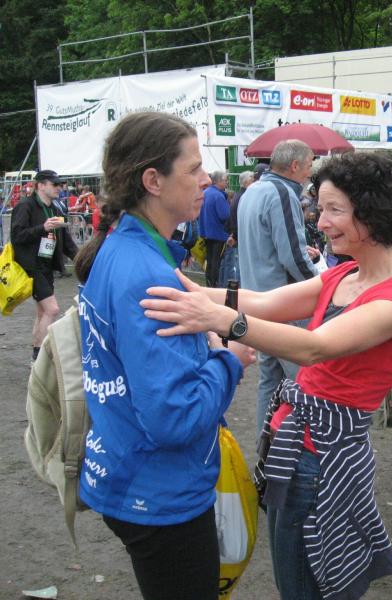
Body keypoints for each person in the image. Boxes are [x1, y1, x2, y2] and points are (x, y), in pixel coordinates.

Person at [142, 151, 392, 600]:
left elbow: (314, 347)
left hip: (321, 460)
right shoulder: (345, 274)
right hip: (298, 448)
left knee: (302, 584)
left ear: (372, 212)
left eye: (335, 210)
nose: (321, 221)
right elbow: (265, 302)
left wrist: (221, 321)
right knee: (297, 575)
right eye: (321, 208)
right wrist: (185, 287)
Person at [72, 112, 253, 600]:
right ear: (153, 180)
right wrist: (229, 358)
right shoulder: (147, 273)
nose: (206, 180)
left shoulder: (124, 248)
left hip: (131, 474)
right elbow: (174, 418)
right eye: (193, 169)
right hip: (159, 492)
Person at [237, 140, 320, 435]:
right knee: (306, 381)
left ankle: (266, 448)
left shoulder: (253, 190)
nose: (310, 172)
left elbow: (267, 246)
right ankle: (305, 450)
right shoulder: (282, 192)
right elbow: (292, 258)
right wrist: (321, 286)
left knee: (269, 381)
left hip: (258, 300)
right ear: (294, 166)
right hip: (285, 304)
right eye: (309, 165)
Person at [10, 169, 78, 362]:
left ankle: (36, 355)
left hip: (47, 265)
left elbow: (66, 241)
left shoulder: (55, 209)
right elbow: (17, 236)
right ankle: (38, 357)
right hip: (31, 266)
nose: (59, 188)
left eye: (60, 184)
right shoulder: (25, 206)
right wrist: (43, 227)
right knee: (52, 309)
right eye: (54, 184)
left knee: (42, 312)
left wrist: (82, 259)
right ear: (40, 185)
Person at [198, 170, 229, 287]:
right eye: (225, 180)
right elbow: (225, 215)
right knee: (216, 261)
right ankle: (214, 285)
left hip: (206, 232)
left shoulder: (205, 193)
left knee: (210, 261)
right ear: (218, 181)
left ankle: (209, 283)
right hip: (218, 234)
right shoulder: (218, 196)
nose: (227, 182)